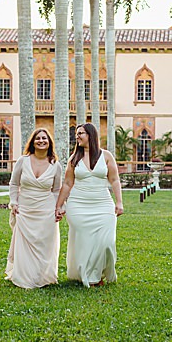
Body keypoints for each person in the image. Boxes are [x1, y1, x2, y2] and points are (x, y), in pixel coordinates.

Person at [55, 123, 124, 287]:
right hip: (78, 205)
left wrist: (119, 202)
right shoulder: (74, 158)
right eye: (77, 134)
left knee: (106, 242)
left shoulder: (106, 156)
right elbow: (67, 183)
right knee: (85, 242)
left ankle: (99, 271)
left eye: (81, 133)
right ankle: (90, 276)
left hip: (103, 204)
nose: (77, 136)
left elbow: (114, 180)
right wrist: (59, 205)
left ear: (91, 135)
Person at [6, 128, 63, 289]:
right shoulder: (23, 161)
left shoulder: (55, 165)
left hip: (46, 209)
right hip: (25, 208)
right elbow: (14, 183)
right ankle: (24, 276)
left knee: (44, 244)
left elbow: (56, 189)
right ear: (33, 142)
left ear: (49, 142)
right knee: (24, 244)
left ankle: (42, 277)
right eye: (38, 138)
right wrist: (14, 202)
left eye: (44, 138)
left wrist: (58, 208)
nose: (41, 141)